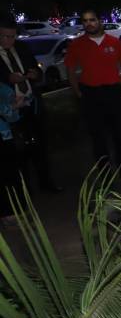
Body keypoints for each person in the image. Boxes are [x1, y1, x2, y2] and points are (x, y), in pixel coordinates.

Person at [64, 10, 121, 182]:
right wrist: (77, 91)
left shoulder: (113, 42)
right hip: (90, 94)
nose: (89, 23)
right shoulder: (77, 44)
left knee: (119, 134)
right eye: (85, 21)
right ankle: (105, 174)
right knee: (98, 137)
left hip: (113, 92)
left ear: (99, 21)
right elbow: (70, 69)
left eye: (92, 20)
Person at [0, 18, 61, 192]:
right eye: (5, 36)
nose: (9, 41)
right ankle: (24, 190)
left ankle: (47, 184)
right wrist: (8, 79)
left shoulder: (21, 48)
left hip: (31, 105)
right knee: (18, 152)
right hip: (10, 112)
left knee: (40, 146)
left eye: (13, 36)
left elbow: (37, 69)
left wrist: (36, 74)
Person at [0, 81, 22, 220]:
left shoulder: (2, 87)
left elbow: (11, 95)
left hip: (5, 134)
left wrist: (15, 102)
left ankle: (13, 211)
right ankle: (7, 214)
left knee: (10, 173)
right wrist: (12, 106)